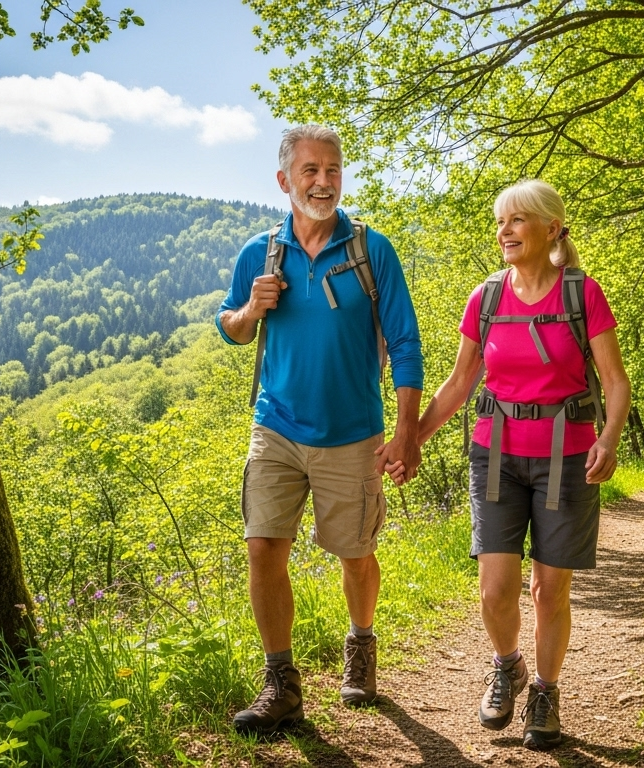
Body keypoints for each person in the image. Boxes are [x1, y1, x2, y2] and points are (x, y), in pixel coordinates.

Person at [393, 179, 630, 750]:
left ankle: (546, 691)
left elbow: (616, 384)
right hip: (495, 452)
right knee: (495, 590)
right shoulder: (487, 298)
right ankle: (508, 665)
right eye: (501, 222)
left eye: (518, 221)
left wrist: (609, 437)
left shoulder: (582, 294)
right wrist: (414, 438)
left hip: (567, 454)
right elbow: (459, 382)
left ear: (551, 228)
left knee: (550, 588)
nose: (505, 231)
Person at [216, 125, 424, 735]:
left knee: (356, 554)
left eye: (331, 170)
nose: (323, 182)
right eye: (309, 171)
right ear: (284, 181)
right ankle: (280, 683)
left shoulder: (370, 249)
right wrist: (251, 309)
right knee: (263, 546)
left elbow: (406, 344)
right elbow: (230, 327)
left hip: (353, 432)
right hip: (274, 425)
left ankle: (360, 645)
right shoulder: (259, 252)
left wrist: (406, 430)